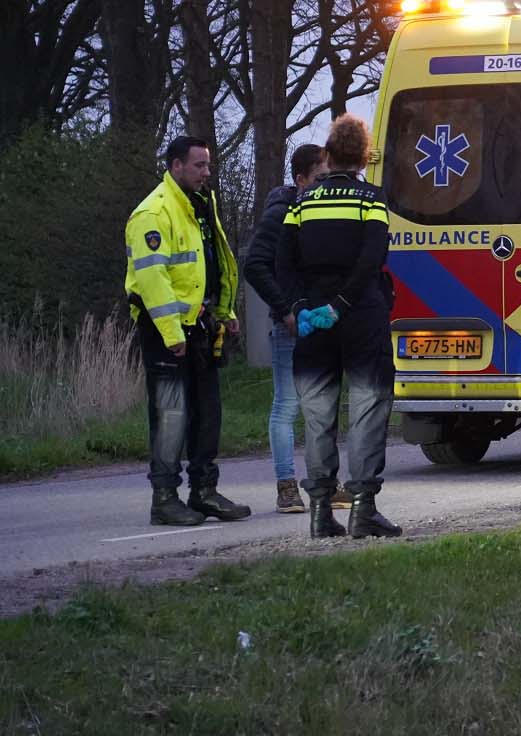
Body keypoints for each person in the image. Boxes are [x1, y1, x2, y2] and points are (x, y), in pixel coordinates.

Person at [275, 114, 401, 538]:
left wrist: (301, 307)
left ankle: (319, 513)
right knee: (367, 408)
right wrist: (342, 303)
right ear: (364, 157)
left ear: (327, 154)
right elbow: (373, 257)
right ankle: (362, 510)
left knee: (317, 416)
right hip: (361, 315)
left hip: (313, 324)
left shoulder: (301, 202)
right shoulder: (371, 199)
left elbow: (283, 261)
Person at [124, 136, 251, 526]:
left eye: (208, 166)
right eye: (199, 166)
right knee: (170, 415)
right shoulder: (153, 213)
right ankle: (164, 498)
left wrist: (225, 309)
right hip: (167, 330)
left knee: (206, 413)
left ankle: (204, 492)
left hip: (201, 323)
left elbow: (212, 263)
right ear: (176, 165)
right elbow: (152, 279)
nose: (206, 173)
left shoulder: (199, 205)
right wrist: (172, 333)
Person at [243, 142, 327, 515]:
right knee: (287, 405)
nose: (327, 185)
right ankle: (286, 487)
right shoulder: (280, 213)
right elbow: (255, 266)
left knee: (321, 408)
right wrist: (285, 310)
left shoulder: (322, 210)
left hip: (321, 324)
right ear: (301, 178)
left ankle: (325, 484)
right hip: (291, 326)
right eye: (320, 178)